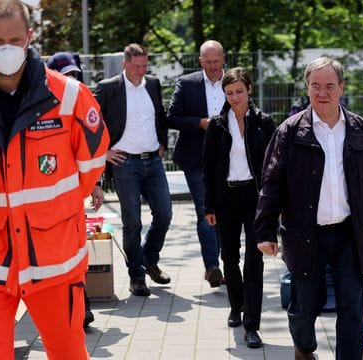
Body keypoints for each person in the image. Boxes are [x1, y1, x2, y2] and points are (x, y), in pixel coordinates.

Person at [0, 1, 109, 357]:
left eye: (14, 39)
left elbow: (91, 166)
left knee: (67, 352)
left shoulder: (70, 97)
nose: (6, 48)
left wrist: (51, 211)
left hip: (54, 262)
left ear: (29, 37)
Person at [254, 57, 363, 359]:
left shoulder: (360, 131)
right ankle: (305, 348)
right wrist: (265, 231)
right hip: (304, 233)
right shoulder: (289, 132)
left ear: (341, 88)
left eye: (329, 86)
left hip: (349, 235)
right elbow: (271, 183)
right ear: (307, 88)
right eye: (316, 86)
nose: (322, 92)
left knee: (352, 307)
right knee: (304, 308)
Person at [202, 67, 275, 348]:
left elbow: (274, 166)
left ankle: (252, 326)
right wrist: (209, 204)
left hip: (255, 198)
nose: (235, 97)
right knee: (229, 257)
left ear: (250, 91)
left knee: (254, 261)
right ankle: (236, 305)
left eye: (239, 92)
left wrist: (275, 203)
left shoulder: (264, 122)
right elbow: (207, 168)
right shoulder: (217, 125)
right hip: (226, 197)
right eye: (229, 93)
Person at [94, 43, 173, 297]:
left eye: (144, 66)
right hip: (124, 163)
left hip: (153, 160)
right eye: (136, 66)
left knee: (165, 213)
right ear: (124, 64)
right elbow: (90, 122)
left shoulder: (152, 83)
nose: (141, 71)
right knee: (133, 223)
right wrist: (103, 153)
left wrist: (162, 142)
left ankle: (149, 259)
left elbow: (160, 115)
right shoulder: (109, 88)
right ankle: (137, 276)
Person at [46, 50, 104, 328]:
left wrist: (93, 186)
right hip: (44, 205)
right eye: (65, 74)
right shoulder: (41, 105)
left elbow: (90, 151)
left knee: (76, 254)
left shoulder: (80, 101)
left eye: (75, 74)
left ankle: (83, 309)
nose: (71, 79)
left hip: (71, 199)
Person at [167, 40, 225, 287]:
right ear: (200, 61)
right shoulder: (187, 84)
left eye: (216, 61)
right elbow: (172, 117)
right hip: (196, 158)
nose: (212, 67)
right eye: (207, 62)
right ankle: (212, 266)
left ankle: (221, 261)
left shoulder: (235, 81)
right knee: (206, 212)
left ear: (223, 59)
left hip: (229, 158)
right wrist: (200, 123)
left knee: (223, 212)